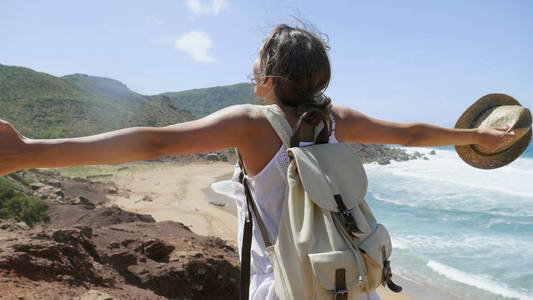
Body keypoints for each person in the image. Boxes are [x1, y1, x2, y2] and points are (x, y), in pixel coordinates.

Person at [0, 24, 516, 300]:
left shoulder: (250, 122)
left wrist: (30, 153)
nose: (252, 71)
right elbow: (410, 133)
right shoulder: (337, 119)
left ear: (269, 75)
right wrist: (473, 135)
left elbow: (152, 143)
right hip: (343, 281)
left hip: (285, 286)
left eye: (258, 62)